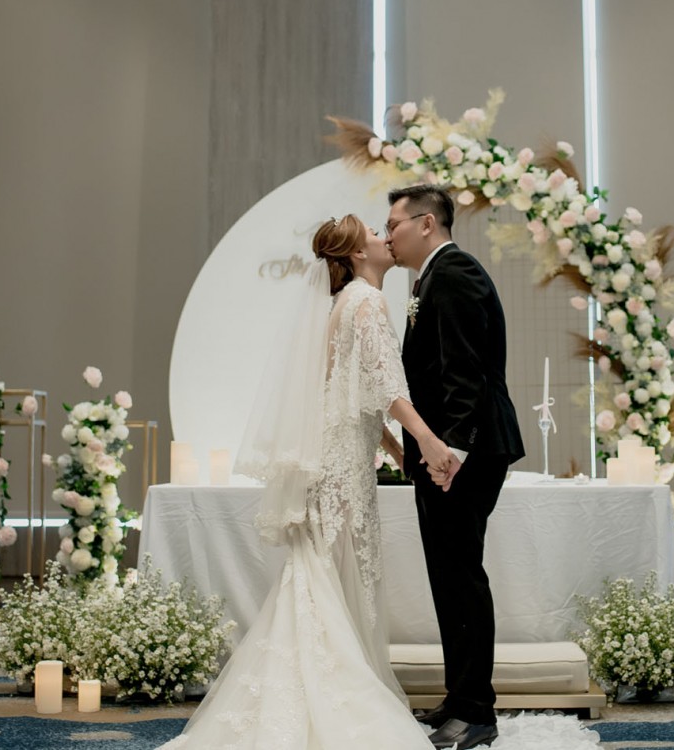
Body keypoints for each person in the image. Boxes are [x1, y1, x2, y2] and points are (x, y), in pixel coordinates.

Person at [158, 215, 453, 749]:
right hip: (343, 469)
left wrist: (393, 451)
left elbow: (349, 392)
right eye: (374, 234)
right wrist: (427, 442)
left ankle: (309, 686)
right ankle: (333, 694)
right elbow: (386, 387)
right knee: (331, 576)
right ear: (357, 254)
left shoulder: (341, 305)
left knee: (323, 573)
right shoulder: (366, 301)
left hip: (338, 459)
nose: (386, 238)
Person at [384, 184, 525, 750]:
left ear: (426, 223)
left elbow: (464, 370)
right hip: (443, 451)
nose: (387, 236)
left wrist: (453, 452)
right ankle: (460, 695)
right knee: (447, 575)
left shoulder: (455, 271)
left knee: (461, 575)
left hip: (465, 451)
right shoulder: (430, 278)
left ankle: (477, 712)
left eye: (392, 225)